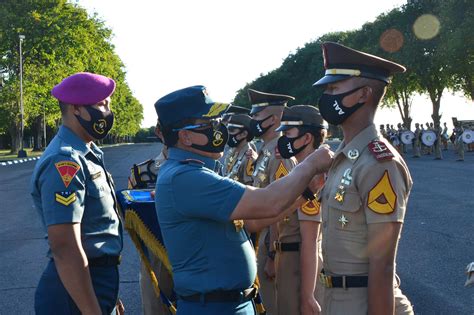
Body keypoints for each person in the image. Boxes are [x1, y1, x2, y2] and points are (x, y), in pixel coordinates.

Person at [154, 85, 333, 315]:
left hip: (227, 303)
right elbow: (268, 201)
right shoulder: (185, 178)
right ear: (185, 136)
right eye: (209, 124)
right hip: (213, 307)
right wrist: (311, 164)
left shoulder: (197, 172)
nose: (219, 129)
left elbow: (253, 222)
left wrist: (306, 193)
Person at [312, 42, 414, 314]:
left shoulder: (380, 163)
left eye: (334, 88)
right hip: (334, 296)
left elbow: (382, 264)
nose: (327, 95)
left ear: (363, 95)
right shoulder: (344, 157)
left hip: (364, 301)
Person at [30, 72, 124, 315]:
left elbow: (95, 231)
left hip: (93, 283)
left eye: (108, 104)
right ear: (76, 109)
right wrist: (92, 309)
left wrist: (109, 296)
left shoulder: (87, 152)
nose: (108, 111)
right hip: (72, 296)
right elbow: (65, 246)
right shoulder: (65, 160)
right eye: (102, 104)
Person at [273, 105, 328, 315]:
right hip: (290, 264)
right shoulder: (300, 170)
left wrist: (307, 296)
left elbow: (311, 241)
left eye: (288, 134)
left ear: (306, 138)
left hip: (300, 270)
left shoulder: (312, 176)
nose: (283, 140)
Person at [247, 88, 297, 314]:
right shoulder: (266, 149)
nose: (253, 121)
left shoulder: (280, 153)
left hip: (271, 241)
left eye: (257, 116)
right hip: (261, 237)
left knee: (271, 305)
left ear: (274, 119)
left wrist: (272, 255)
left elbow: (282, 207)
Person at [127, 121, 174, 315]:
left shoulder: (210, 170)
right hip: (156, 260)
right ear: (159, 132)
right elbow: (129, 218)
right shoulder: (142, 173)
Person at [223, 113, 256, 185]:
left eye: (231, 130)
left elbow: (250, 188)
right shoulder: (232, 152)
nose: (228, 134)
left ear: (244, 134)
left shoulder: (249, 158)